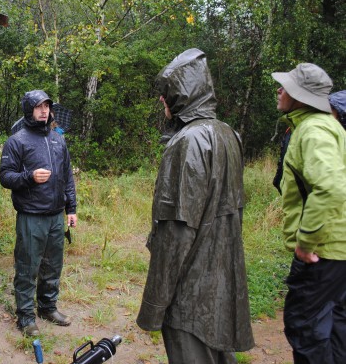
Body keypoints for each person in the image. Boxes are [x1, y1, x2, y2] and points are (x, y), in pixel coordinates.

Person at [136, 48, 254, 363]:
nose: (162, 99)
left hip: (190, 293)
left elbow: (176, 233)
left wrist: (155, 307)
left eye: (167, 92)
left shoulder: (187, 143)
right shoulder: (228, 134)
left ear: (184, 94)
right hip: (221, 284)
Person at [272, 63, 346, 364]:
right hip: (337, 250)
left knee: (305, 326)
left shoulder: (313, 130)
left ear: (301, 96)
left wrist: (305, 242)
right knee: (335, 326)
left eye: (286, 87)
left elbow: (331, 188)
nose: (279, 90)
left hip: (323, 251)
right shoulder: (328, 126)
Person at [0, 89, 78, 337]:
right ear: (29, 110)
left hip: (55, 215)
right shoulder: (17, 141)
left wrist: (71, 208)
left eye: (47, 106)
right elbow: (5, 177)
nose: (44, 110)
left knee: (53, 265)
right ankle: (25, 316)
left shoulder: (58, 139)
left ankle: (47, 307)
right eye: (38, 106)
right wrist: (29, 177)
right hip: (31, 216)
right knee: (27, 266)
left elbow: (67, 176)